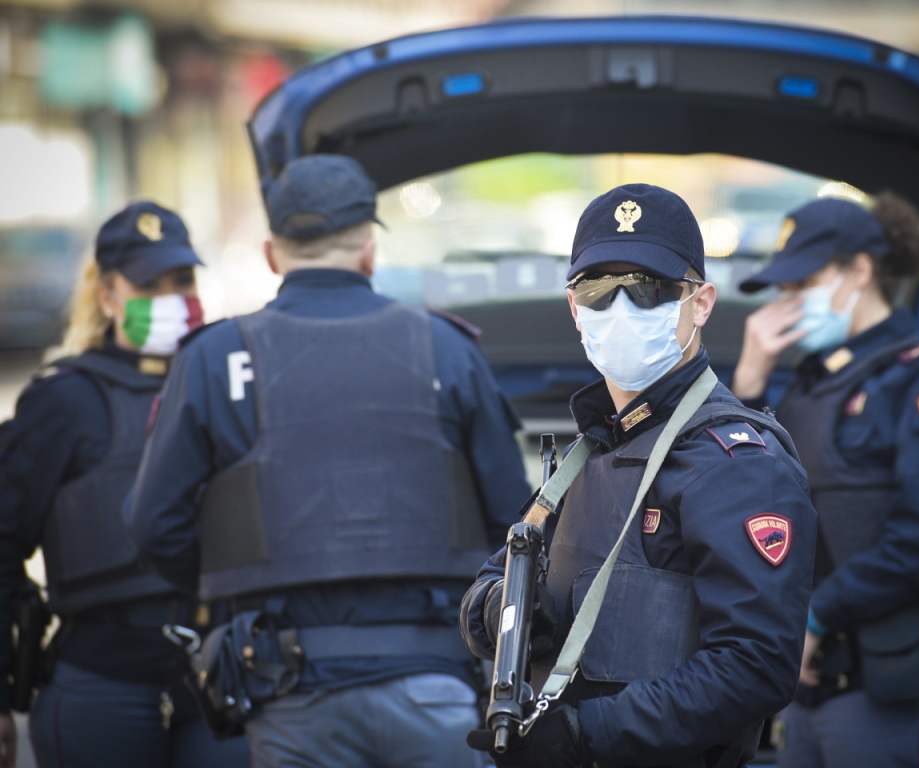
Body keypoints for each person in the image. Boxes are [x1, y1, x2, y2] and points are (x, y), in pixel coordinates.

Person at [125, 154, 531, 768]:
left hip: (289, 691)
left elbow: (156, 523)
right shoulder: (445, 348)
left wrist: (238, 581)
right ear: (369, 251)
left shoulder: (215, 359)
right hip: (435, 682)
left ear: (271, 254)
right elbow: (515, 521)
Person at [459, 183, 817, 768]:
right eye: (598, 290)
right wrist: (516, 611)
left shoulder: (735, 463)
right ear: (574, 308)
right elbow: (484, 587)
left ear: (700, 303)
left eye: (649, 289)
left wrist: (584, 735)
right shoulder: (588, 450)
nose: (621, 310)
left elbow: (755, 665)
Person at [731, 194, 919, 768]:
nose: (787, 302)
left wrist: (818, 617)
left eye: (803, 283)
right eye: (783, 288)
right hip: (810, 691)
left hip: (890, 692)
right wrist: (748, 387)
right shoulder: (810, 382)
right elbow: (753, 498)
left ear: (860, 270)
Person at [0, 201, 250, 768]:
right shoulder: (63, 400)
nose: (169, 298)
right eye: (147, 284)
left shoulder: (225, 380)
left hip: (216, 672)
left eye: (181, 280)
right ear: (108, 296)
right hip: (100, 684)